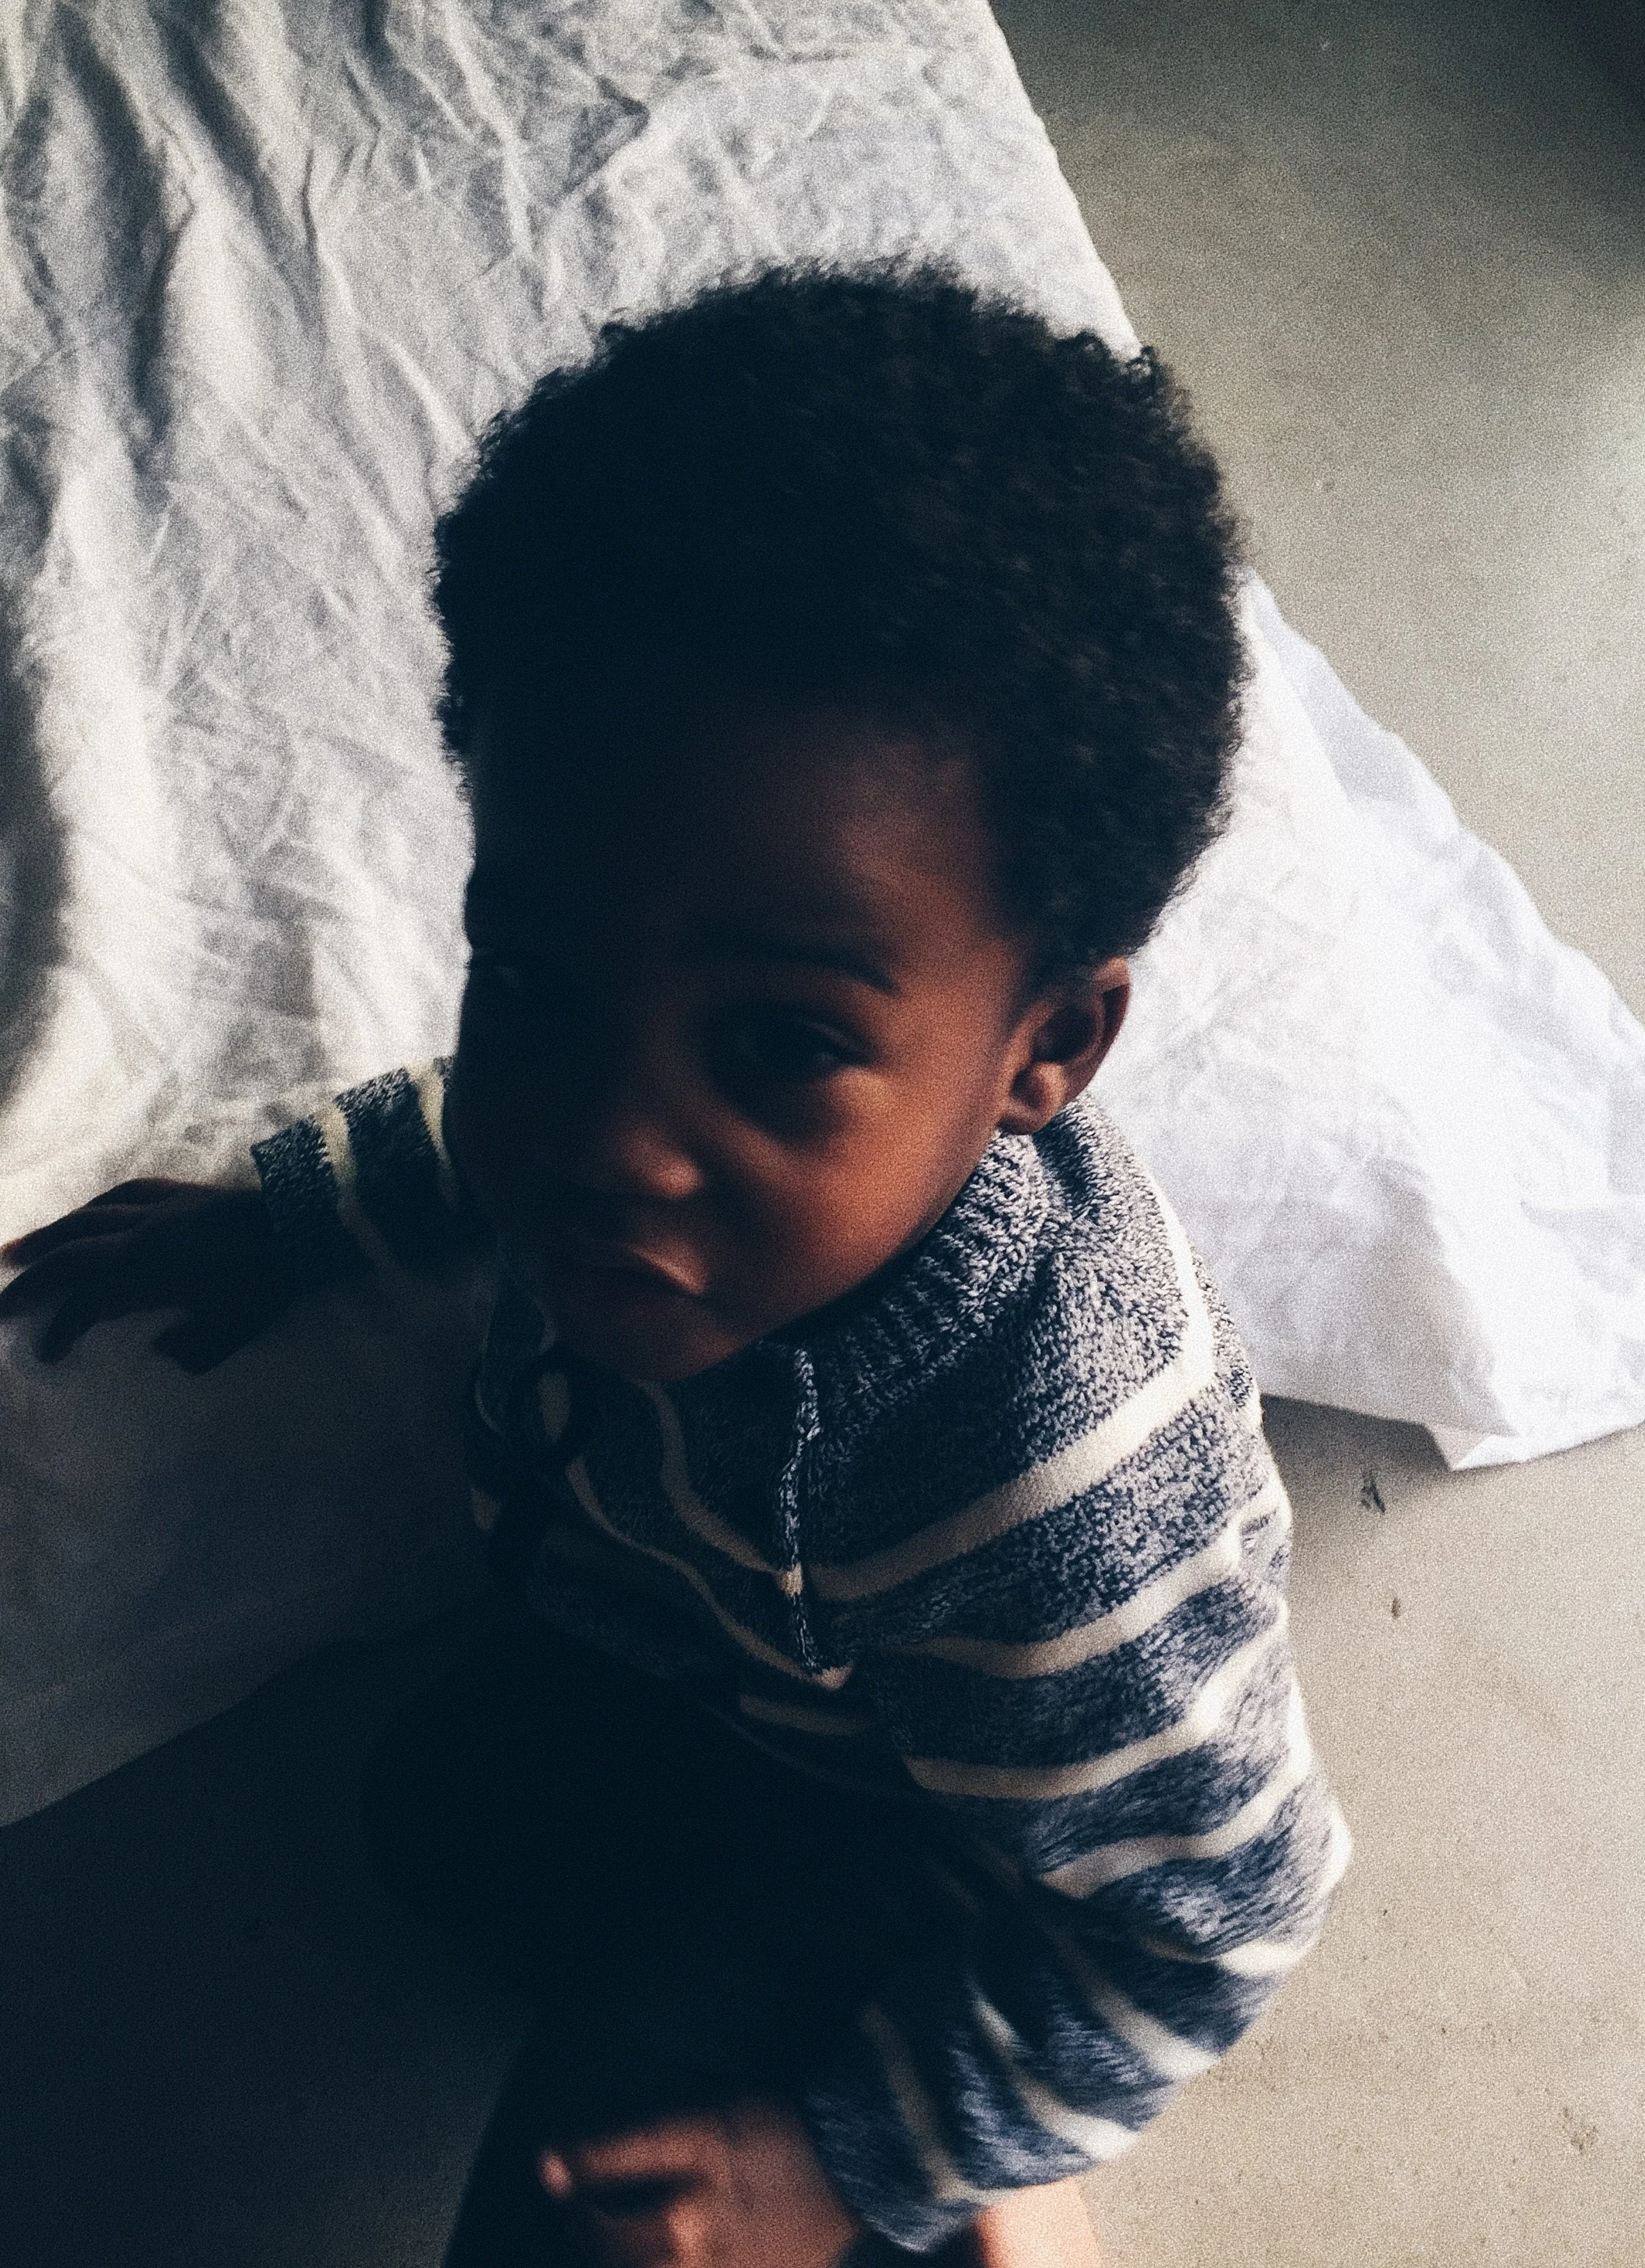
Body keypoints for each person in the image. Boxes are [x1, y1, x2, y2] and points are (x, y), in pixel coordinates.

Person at [0, 267, 1350, 2268]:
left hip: (911, 1848)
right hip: (675, 1665)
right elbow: (467, 1113)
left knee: (602, 2212)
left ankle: (998, 2148)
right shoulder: (589, 1122)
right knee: (431, 1823)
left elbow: (1206, 1922)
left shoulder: (1059, 1504)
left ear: (1047, 1049)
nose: (601, 1139)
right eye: (542, 978)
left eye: (781, 1045)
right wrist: (289, 1214)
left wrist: (852, 2159)